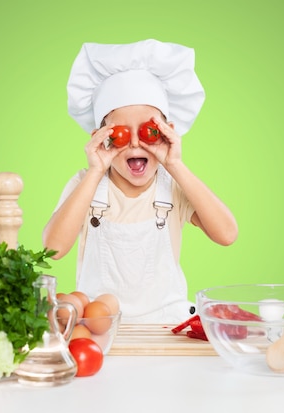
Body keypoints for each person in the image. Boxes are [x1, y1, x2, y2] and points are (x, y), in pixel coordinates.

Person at [42, 39, 237, 324]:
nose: (134, 143)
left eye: (148, 132)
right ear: (101, 137)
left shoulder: (174, 185)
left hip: (166, 326)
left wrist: (175, 164)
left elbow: (227, 234)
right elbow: (53, 249)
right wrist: (96, 171)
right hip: (101, 332)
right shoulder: (85, 184)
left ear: (168, 131)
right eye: (120, 134)